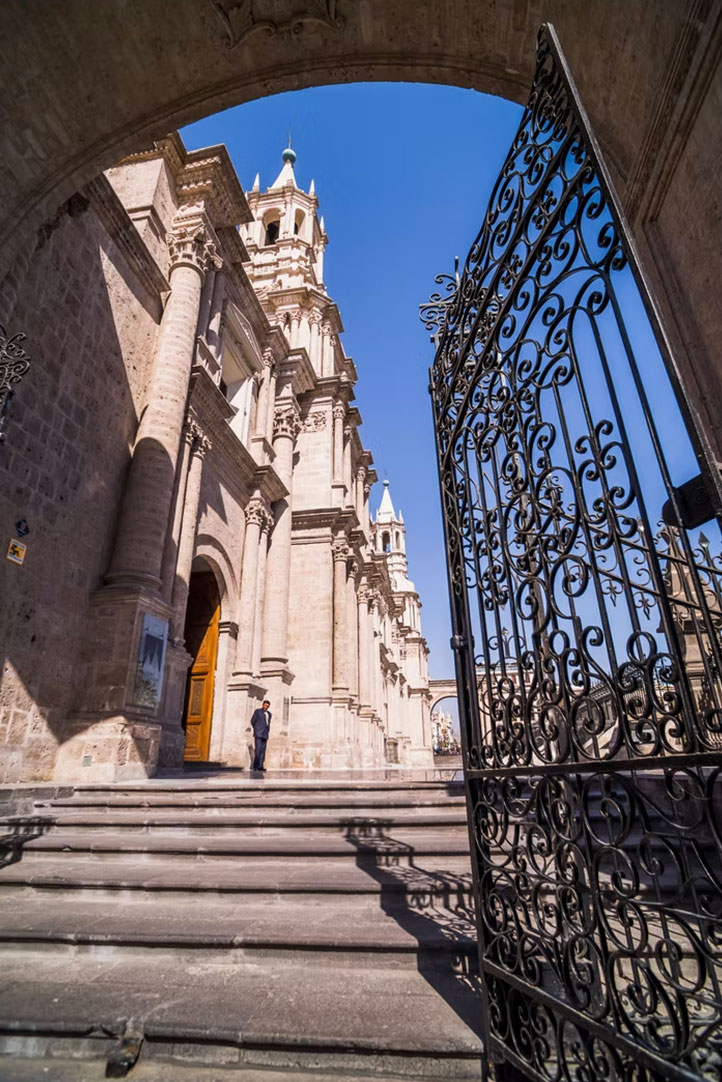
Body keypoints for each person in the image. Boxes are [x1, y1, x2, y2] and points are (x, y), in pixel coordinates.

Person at [250, 699, 271, 773]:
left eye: (267, 706)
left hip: (265, 734)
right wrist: (256, 729)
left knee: (263, 750)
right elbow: (252, 721)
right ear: (263, 705)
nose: (266, 707)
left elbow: (268, 723)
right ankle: (255, 766)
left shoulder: (269, 713)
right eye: (265, 705)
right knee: (258, 750)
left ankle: (260, 766)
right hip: (258, 733)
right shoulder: (258, 711)